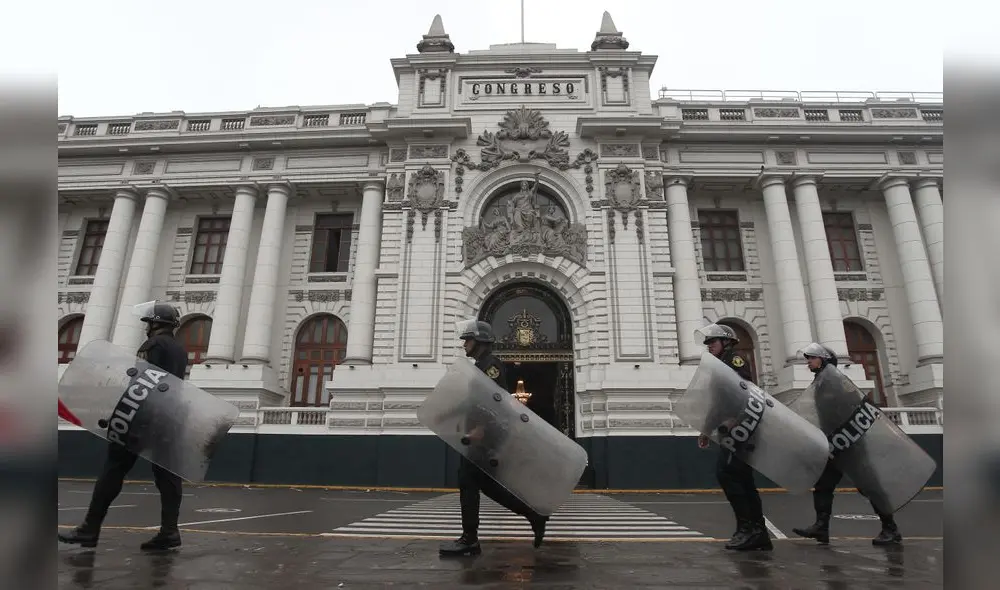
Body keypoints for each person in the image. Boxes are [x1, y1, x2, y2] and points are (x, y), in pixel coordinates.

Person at [58, 303, 189, 551]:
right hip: (169, 417)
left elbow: (141, 383)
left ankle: (89, 529)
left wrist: (120, 411)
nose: (146, 328)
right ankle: (169, 531)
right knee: (168, 477)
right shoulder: (179, 351)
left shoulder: (152, 346)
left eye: (148, 323)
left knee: (114, 468)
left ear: (154, 324)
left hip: (142, 418)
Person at [439, 320, 549, 557]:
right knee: (483, 483)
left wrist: (480, 429)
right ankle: (533, 515)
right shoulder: (479, 366)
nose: (464, 344)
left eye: (467, 340)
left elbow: (496, 402)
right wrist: (446, 414)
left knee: (469, 480)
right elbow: (473, 401)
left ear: (479, 342)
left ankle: (470, 538)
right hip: (479, 435)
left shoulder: (491, 366)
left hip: (484, 436)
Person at [791, 342, 903, 546]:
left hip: (850, 445)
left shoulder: (837, 381)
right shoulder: (820, 382)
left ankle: (891, 528)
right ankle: (821, 528)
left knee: (869, 486)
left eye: (811, 358)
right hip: (834, 444)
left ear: (823, 359)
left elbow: (855, 405)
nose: (808, 362)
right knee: (823, 485)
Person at [696, 323, 773, 551]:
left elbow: (744, 391)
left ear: (726, 342)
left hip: (742, 430)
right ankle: (757, 532)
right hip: (733, 431)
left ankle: (748, 529)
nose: (709, 346)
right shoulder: (720, 366)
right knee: (742, 479)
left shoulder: (734, 361)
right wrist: (706, 429)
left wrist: (734, 419)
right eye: (708, 343)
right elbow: (718, 402)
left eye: (713, 342)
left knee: (729, 474)